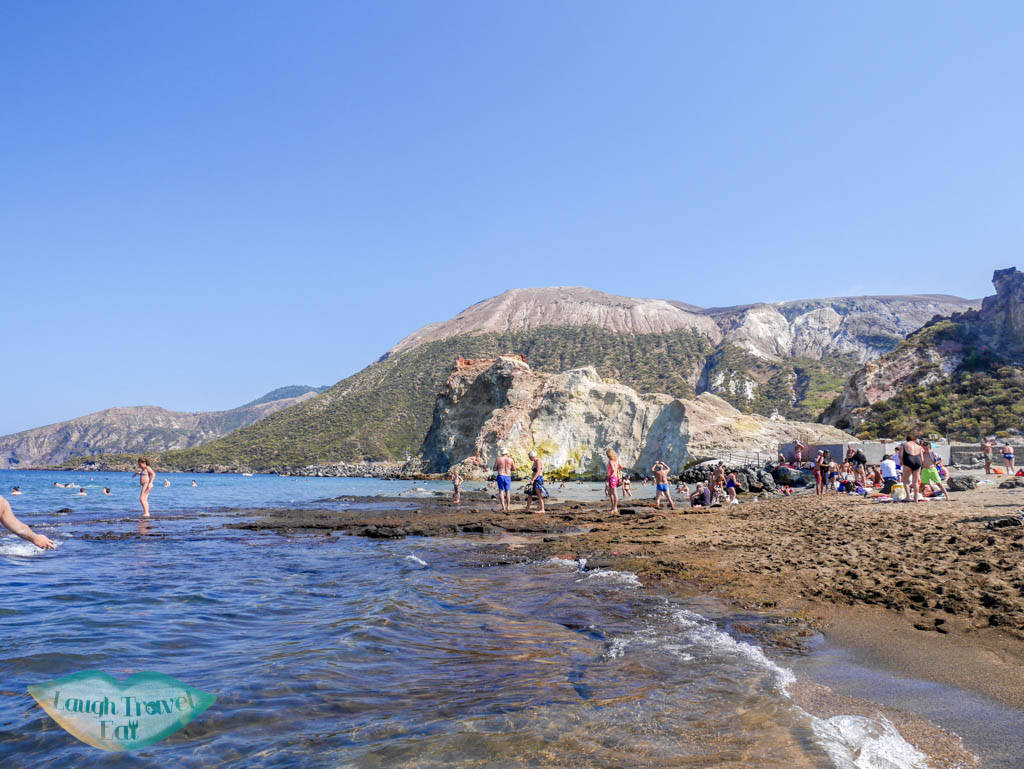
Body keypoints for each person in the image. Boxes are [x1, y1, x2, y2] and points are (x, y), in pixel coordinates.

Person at [900, 437, 924, 503]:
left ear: (907, 439)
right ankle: (916, 499)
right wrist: (921, 465)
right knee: (915, 482)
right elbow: (922, 458)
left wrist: (901, 462)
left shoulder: (904, 444)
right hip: (917, 461)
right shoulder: (919, 446)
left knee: (905, 480)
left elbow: (901, 455)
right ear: (914, 439)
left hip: (908, 460)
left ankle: (908, 497)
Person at [605, 448, 622, 513]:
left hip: (612, 477)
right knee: (610, 492)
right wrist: (616, 471)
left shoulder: (610, 461)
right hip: (615, 477)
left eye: (607, 455)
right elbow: (621, 467)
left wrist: (610, 475)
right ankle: (613, 507)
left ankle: (615, 508)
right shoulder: (616, 460)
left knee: (614, 493)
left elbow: (612, 469)